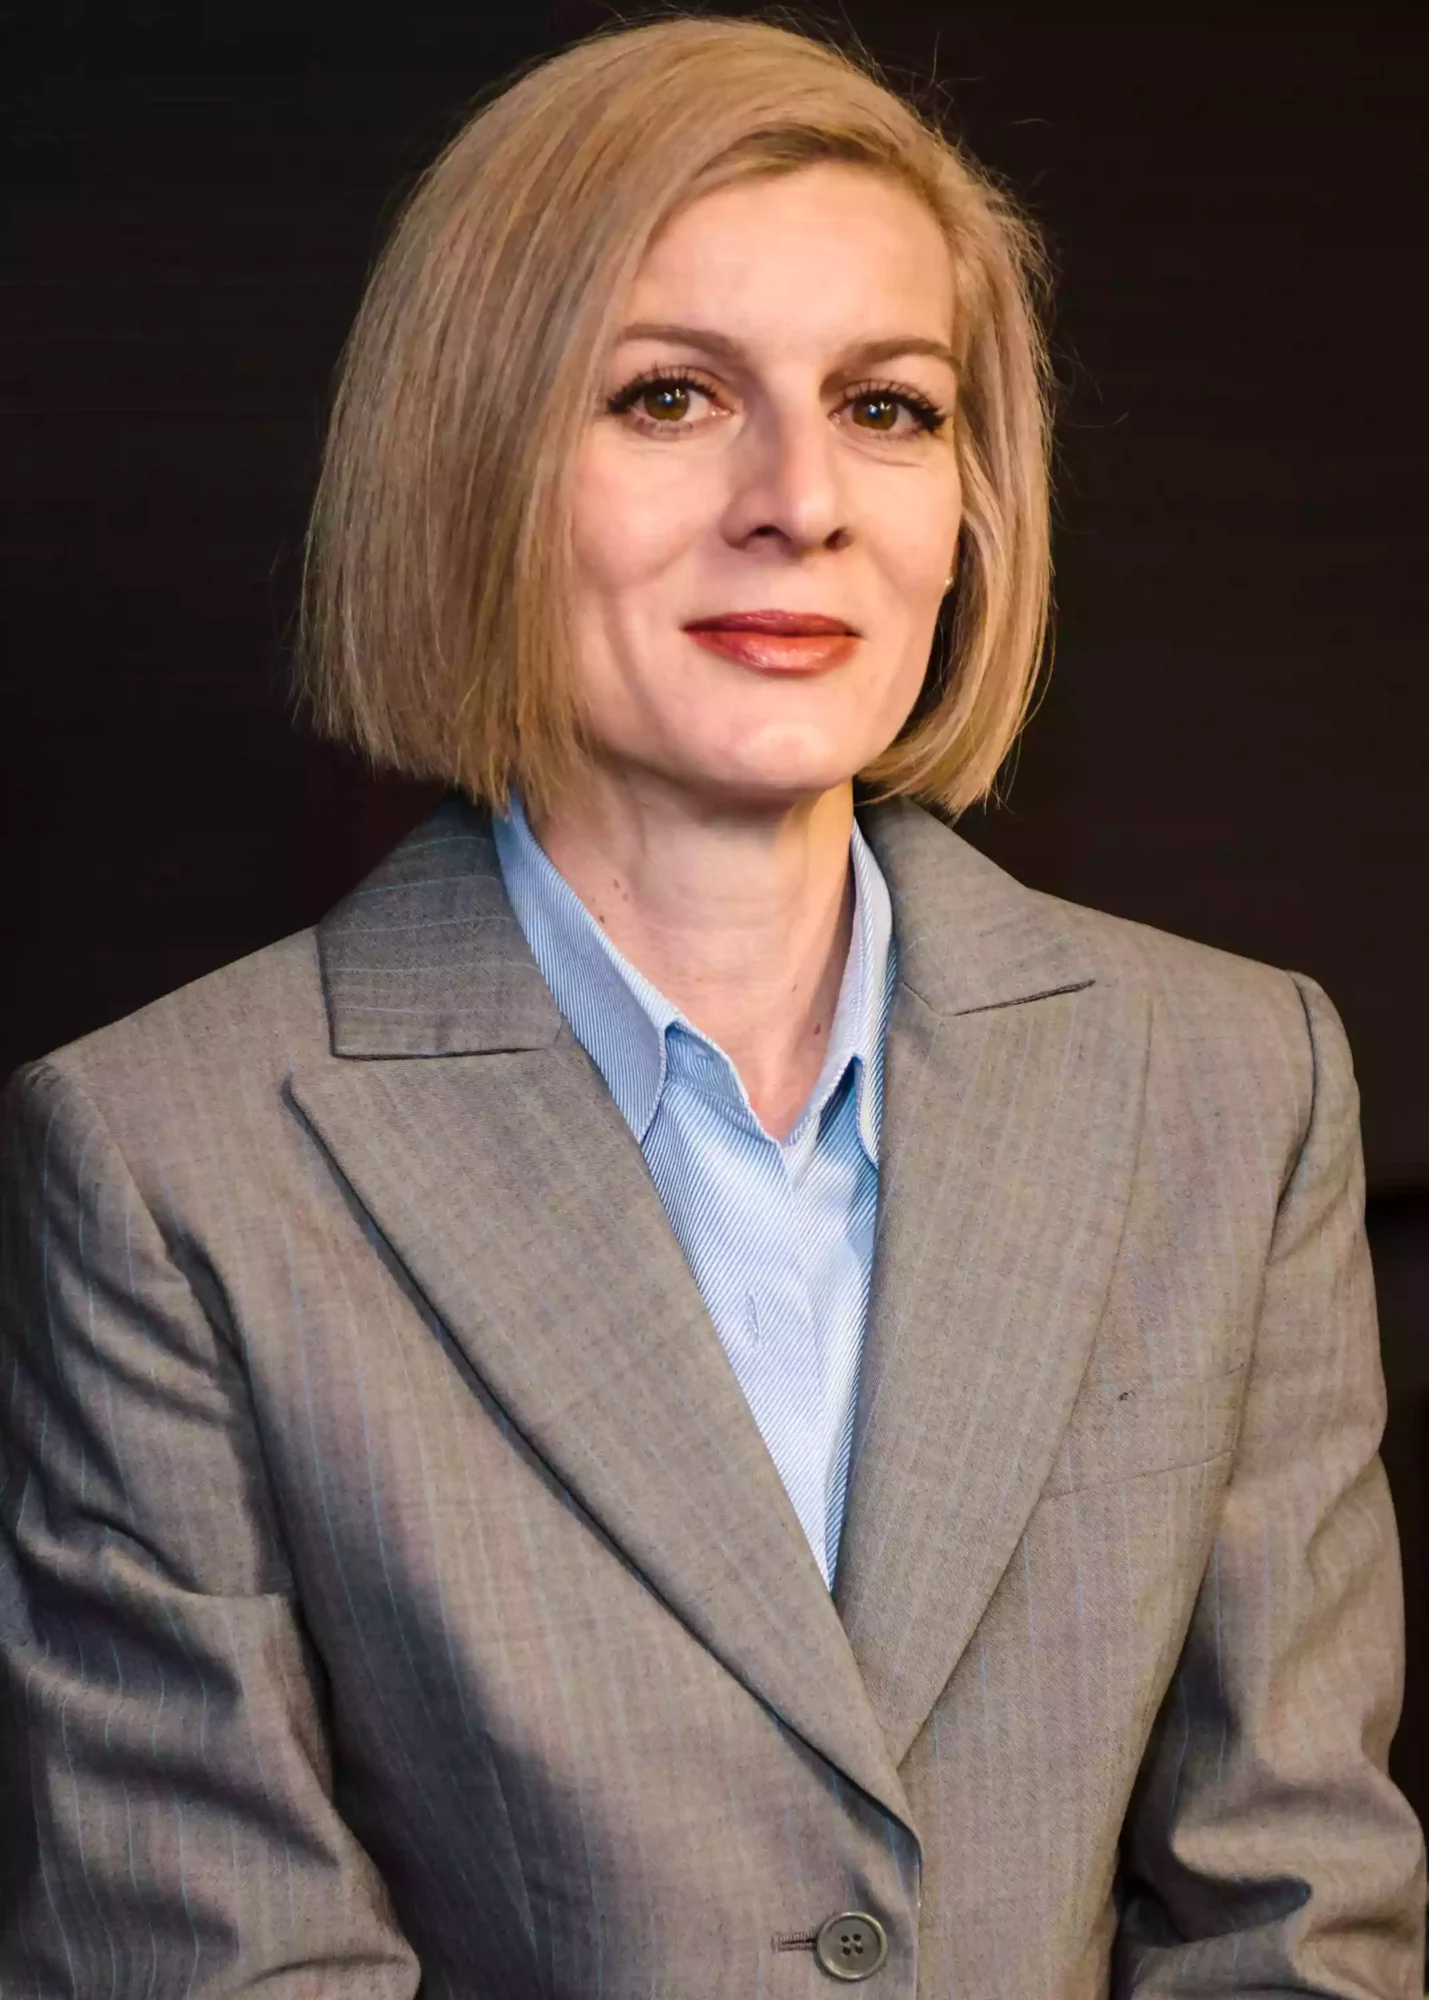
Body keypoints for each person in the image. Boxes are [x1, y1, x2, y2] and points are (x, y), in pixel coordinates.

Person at [0, 12, 1423, 1994]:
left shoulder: (1234, 1084)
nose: (800, 500)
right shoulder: (171, 1161)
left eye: (888, 407)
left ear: (971, 502)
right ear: (474, 466)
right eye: (670, 396)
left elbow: (1294, 1918)